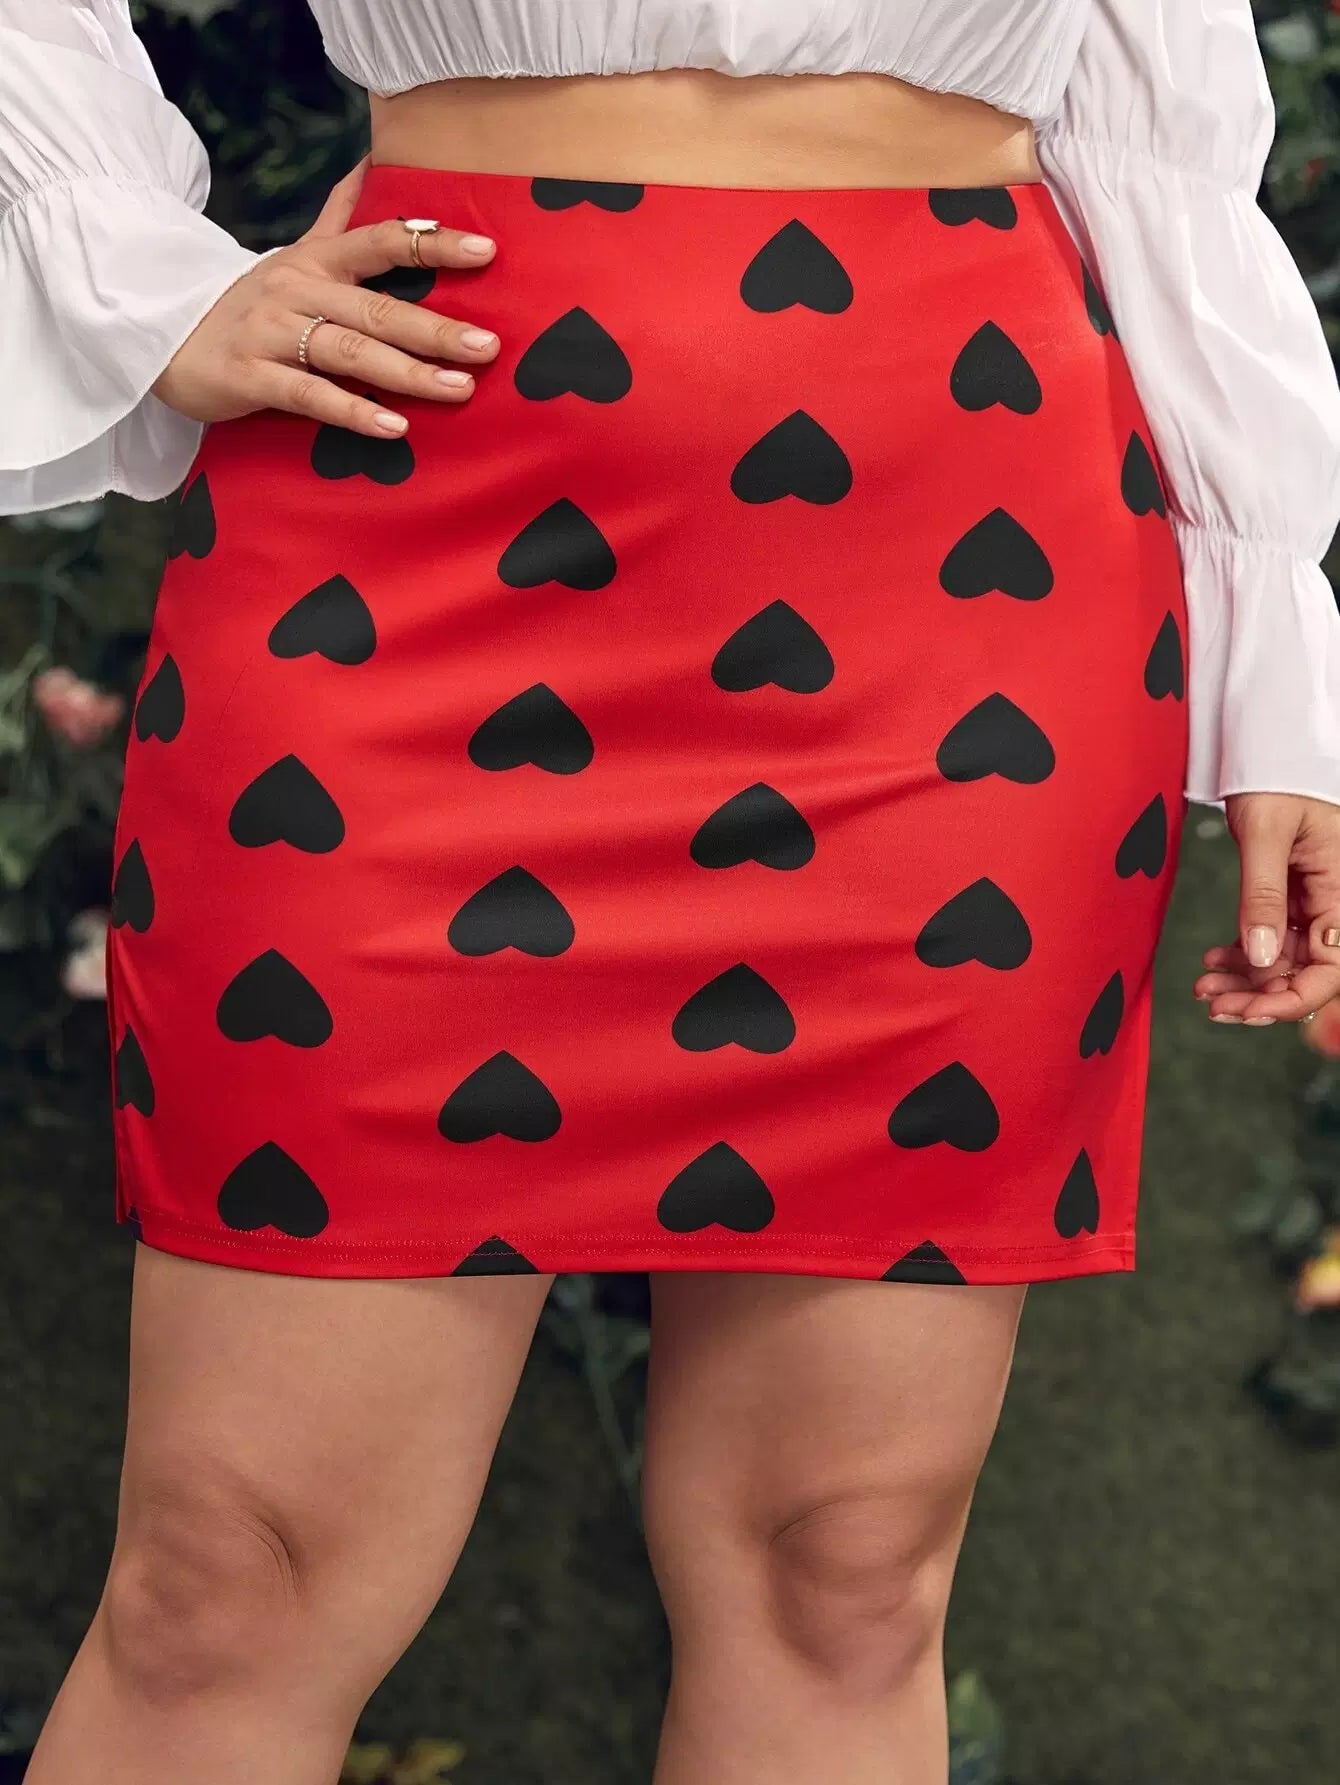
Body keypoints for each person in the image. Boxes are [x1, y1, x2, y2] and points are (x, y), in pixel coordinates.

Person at [3, 2, 1340, 1780]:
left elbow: (1161, 121)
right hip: (405, 539)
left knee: (842, 1570)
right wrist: (134, 272)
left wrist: (1277, 665)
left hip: (961, 583)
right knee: (227, 1580)